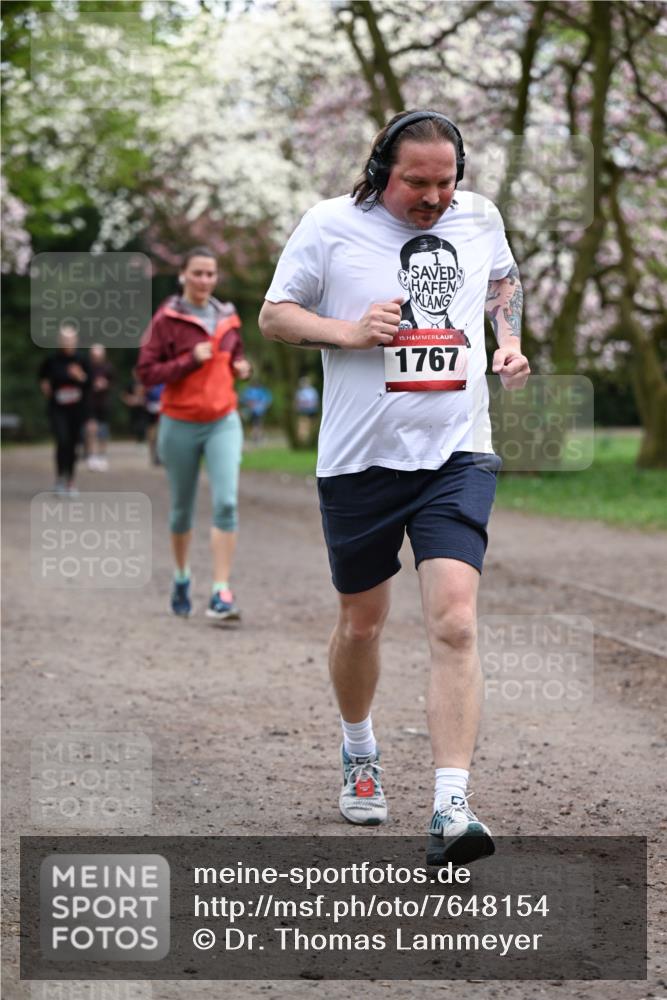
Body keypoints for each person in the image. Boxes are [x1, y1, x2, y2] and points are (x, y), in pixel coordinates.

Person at [259, 110, 530, 865]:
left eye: (445, 182)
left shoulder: (477, 218)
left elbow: (504, 281)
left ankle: (450, 805)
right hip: (360, 461)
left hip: (456, 454)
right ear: (382, 168)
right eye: (416, 181)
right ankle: (358, 749)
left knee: (455, 620)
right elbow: (274, 315)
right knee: (363, 624)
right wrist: (347, 332)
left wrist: (507, 343)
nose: (433, 197)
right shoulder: (329, 225)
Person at [137, 247, 251, 621]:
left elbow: (236, 358)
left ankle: (221, 591)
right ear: (182, 275)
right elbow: (146, 373)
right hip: (179, 422)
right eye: (198, 273)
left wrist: (240, 367)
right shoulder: (167, 319)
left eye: (211, 274)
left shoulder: (228, 317)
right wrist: (189, 360)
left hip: (223, 419)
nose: (205, 280)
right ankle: (182, 575)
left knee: (227, 503)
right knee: (182, 509)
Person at [38, 322, 91, 495]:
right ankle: (60, 478)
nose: (67, 342)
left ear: (76, 340)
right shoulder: (52, 360)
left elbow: (91, 384)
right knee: (62, 440)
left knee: (73, 444)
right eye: (64, 339)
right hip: (58, 408)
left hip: (76, 409)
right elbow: (43, 376)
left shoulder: (82, 360)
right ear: (59, 340)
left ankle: (70, 480)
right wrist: (45, 385)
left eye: (70, 339)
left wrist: (81, 376)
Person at [85, 343, 115, 471]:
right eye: (94, 355)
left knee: (103, 430)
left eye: (99, 355)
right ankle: (91, 456)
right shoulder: (86, 367)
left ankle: (102, 456)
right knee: (91, 429)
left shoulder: (108, 368)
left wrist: (105, 385)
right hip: (89, 402)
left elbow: (114, 383)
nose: (97, 358)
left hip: (104, 403)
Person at [239, 379, 273, 443]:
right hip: (258, 411)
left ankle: (255, 436)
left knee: (254, 423)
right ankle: (256, 437)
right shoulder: (261, 390)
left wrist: (249, 404)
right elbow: (267, 400)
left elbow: (243, 399)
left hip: (252, 410)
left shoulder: (249, 390)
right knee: (257, 424)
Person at [294, 375, 320, 444]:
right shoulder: (300, 392)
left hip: (312, 411)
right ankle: (304, 440)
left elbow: (316, 401)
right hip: (303, 411)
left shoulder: (312, 391)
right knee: (303, 425)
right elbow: (297, 402)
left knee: (312, 425)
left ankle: (310, 439)